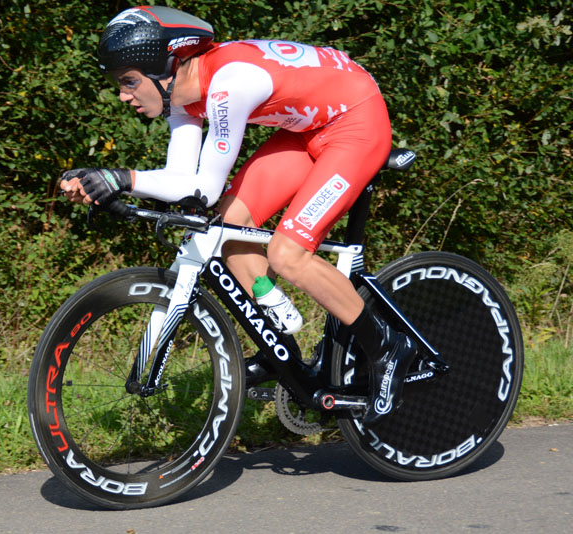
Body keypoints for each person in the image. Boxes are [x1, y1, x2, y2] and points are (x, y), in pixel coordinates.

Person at [59, 5, 415, 426]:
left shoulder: (230, 83)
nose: (122, 94)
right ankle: (282, 353)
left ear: (166, 67)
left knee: (287, 253)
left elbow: (202, 188)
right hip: (308, 130)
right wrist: (112, 181)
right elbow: (180, 181)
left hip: (356, 121)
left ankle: (388, 348)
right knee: (228, 228)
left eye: (129, 81)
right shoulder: (184, 98)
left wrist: (121, 177)